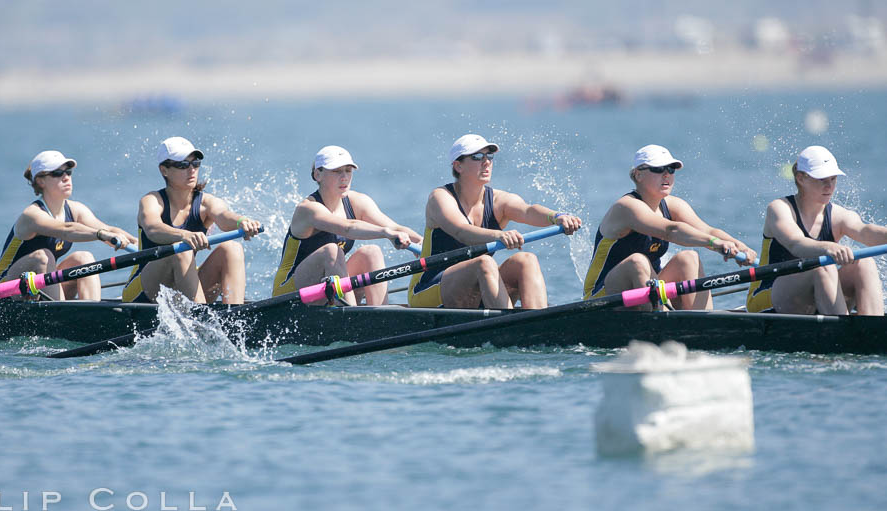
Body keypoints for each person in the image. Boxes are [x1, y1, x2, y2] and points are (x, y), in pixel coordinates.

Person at [408, 134, 582, 309]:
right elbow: (461, 231)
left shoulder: (499, 201)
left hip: (475, 285)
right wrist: (499, 235)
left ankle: (539, 322)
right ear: (458, 166)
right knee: (484, 263)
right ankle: (508, 329)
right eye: (477, 157)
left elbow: (528, 210)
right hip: (429, 287)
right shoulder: (440, 197)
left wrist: (556, 216)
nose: (486, 162)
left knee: (526, 260)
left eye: (489, 156)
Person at [583, 144, 756, 311]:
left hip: (647, 290)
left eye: (671, 169)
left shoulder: (674, 205)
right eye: (658, 169)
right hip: (602, 298)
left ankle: (702, 323)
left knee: (688, 258)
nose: (666, 175)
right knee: (638, 261)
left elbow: (708, 231)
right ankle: (658, 317)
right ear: (638, 175)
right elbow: (670, 231)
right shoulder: (627, 207)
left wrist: (739, 246)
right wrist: (715, 243)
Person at [746, 145, 886, 315]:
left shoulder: (838, 215)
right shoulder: (779, 209)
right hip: (768, 294)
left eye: (833, 179)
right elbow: (796, 243)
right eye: (822, 180)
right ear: (801, 178)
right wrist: (830, 247)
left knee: (865, 262)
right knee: (822, 267)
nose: (829, 186)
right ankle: (841, 336)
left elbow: (866, 232)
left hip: (813, 293)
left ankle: (872, 331)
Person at [273, 145, 421, 305]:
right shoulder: (308, 209)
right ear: (318, 175)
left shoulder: (357, 201)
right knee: (332, 250)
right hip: (289, 293)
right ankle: (351, 317)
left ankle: (380, 316)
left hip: (325, 285)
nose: (344, 177)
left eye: (348, 171)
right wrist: (386, 233)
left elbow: (396, 228)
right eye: (337, 171)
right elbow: (347, 228)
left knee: (371, 252)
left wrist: (422, 243)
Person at [122, 137, 262, 304]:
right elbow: (153, 229)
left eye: (195, 163)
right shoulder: (152, 200)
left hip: (183, 287)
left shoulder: (207, 203)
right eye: (183, 165)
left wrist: (242, 222)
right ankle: (200, 320)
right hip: (144, 292)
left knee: (232, 248)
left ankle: (234, 318)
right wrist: (184, 235)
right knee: (181, 249)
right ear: (164, 170)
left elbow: (224, 217)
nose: (192, 170)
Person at [0, 150, 136, 300]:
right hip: (2, 291)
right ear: (41, 181)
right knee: (43, 257)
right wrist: (100, 234)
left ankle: (90, 313)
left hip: (36, 288)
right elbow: (66, 230)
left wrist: (140, 244)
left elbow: (109, 229)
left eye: (68, 172)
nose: (66, 177)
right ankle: (62, 314)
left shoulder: (75, 209)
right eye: (57, 173)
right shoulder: (32, 215)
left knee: (84, 258)